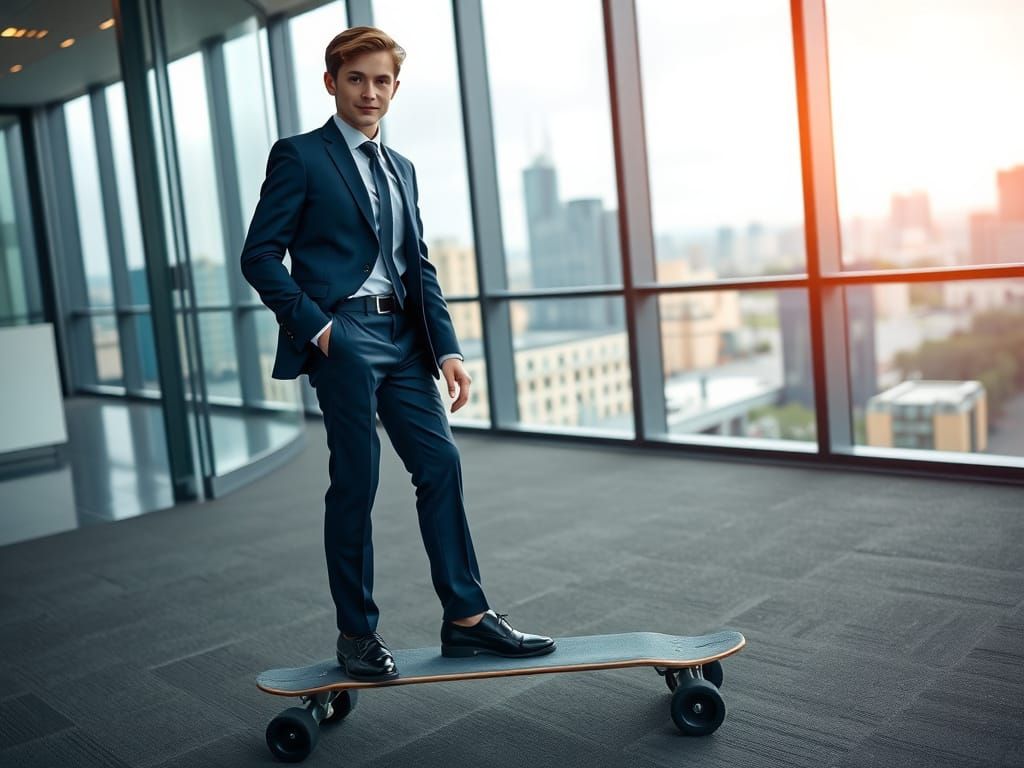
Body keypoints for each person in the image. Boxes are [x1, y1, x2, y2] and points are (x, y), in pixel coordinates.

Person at [240, 26, 554, 681]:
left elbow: (419, 268)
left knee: (440, 463)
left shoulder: (403, 168)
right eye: (356, 78)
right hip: (343, 337)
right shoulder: (299, 156)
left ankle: (465, 618)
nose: (370, 91)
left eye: (382, 80)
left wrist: (448, 351)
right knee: (357, 483)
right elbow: (260, 255)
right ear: (332, 82)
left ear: (396, 88)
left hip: (406, 343)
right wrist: (320, 330)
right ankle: (356, 634)